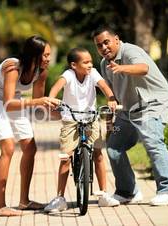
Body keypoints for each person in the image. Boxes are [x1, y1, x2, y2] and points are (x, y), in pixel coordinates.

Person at [92, 26, 168, 206]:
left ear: (116, 40)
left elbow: (143, 68)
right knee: (113, 147)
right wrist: (112, 121)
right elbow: (114, 96)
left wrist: (122, 68)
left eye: (106, 42)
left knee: (153, 142)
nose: (103, 47)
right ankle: (128, 192)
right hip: (128, 109)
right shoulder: (104, 64)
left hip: (151, 103)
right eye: (99, 45)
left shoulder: (131, 51)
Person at [0, 35, 60, 217]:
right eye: (46, 55)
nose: (48, 59)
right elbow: (8, 102)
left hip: (14, 99)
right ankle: (0, 206)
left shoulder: (42, 72)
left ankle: (24, 201)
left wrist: (62, 115)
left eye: (49, 55)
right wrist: (39, 100)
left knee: (30, 147)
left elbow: (38, 104)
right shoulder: (13, 67)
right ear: (34, 55)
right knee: (8, 147)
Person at [44, 47, 120, 212]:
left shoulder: (93, 74)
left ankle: (103, 195)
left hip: (91, 118)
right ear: (73, 65)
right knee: (65, 158)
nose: (90, 65)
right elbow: (57, 87)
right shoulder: (68, 75)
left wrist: (111, 98)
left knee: (98, 154)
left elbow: (104, 87)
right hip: (71, 119)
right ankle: (60, 198)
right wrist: (51, 98)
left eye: (91, 61)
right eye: (85, 62)